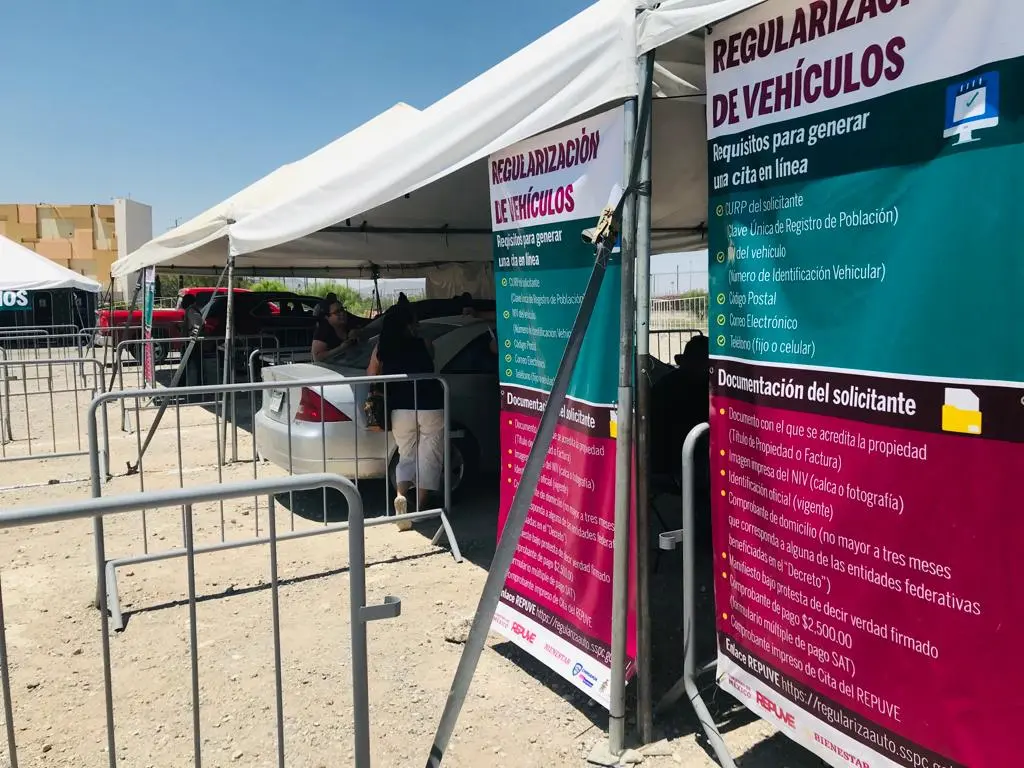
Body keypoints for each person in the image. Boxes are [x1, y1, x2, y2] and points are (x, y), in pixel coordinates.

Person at [367, 296, 444, 530]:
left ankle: (401, 496)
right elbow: (431, 360)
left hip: (400, 406)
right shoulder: (424, 342)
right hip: (430, 403)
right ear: (410, 324)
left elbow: (371, 374)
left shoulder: (382, 347)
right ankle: (420, 508)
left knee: (406, 454)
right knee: (429, 454)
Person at [180, 293, 205, 389]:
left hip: (192, 343)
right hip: (192, 342)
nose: (181, 303)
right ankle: (199, 384)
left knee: (185, 365)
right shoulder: (191, 310)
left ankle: (181, 386)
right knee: (195, 365)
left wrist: (193, 336)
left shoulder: (191, 310)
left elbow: (198, 322)